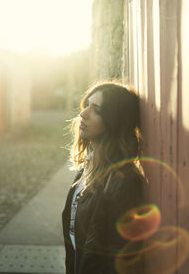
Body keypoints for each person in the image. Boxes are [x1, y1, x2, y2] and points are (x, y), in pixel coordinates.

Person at [62, 80, 147, 274]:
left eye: (97, 110)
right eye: (87, 105)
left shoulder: (123, 181)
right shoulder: (89, 166)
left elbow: (122, 260)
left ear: (114, 122)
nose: (83, 113)